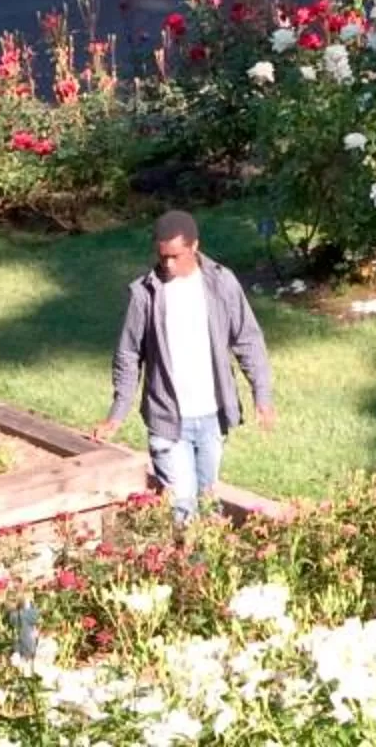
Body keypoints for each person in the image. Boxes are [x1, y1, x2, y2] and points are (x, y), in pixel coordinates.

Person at [96, 212, 277, 521]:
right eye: (161, 256)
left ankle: (203, 567)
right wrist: (117, 413)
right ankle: (190, 563)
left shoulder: (221, 283)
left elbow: (247, 339)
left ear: (194, 246)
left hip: (211, 417)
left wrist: (262, 394)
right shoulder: (145, 294)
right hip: (168, 420)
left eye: (175, 256)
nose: (167, 265)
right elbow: (128, 354)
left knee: (206, 500)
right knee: (182, 505)